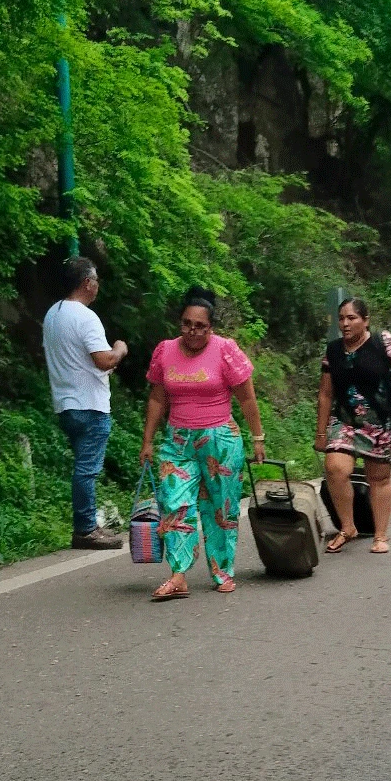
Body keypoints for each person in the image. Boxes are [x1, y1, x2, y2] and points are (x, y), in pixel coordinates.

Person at [139, 288, 265, 600]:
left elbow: (247, 397)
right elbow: (157, 398)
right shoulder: (165, 351)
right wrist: (147, 441)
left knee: (220, 508)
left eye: (200, 326)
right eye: (186, 324)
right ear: (179, 323)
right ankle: (179, 574)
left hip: (219, 439)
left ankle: (223, 571)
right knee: (174, 503)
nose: (193, 332)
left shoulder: (226, 350)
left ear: (211, 327)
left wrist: (257, 436)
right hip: (177, 442)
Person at [315, 297, 391, 554]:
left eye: (352, 318)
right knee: (335, 468)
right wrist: (321, 432)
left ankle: (380, 534)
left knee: (378, 478)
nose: (345, 323)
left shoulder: (382, 341)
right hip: (346, 421)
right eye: (341, 318)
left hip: (381, 421)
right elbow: (325, 394)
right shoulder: (333, 351)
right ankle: (348, 527)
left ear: (366, 320)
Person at [42, 257, 128, 550]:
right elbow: (103, 360)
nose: (98, 286)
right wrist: (119, 349)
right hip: (90, 404)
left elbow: (76, 360)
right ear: (87, 283)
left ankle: (87, 523)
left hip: (65, 402)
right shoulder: (86, 317)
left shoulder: (53, 315)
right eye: (96, 280)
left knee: (83, 467)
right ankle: (86, 528)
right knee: (87, 470)